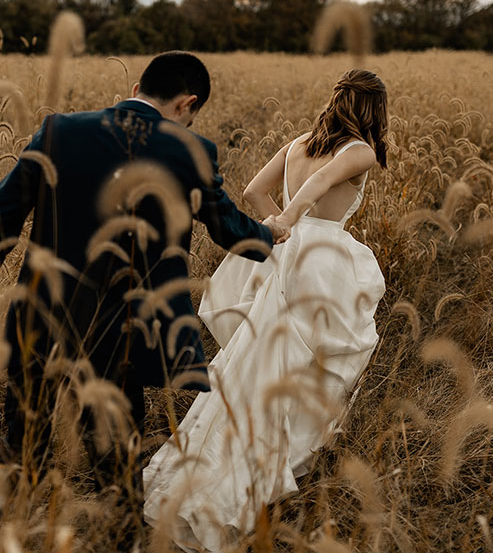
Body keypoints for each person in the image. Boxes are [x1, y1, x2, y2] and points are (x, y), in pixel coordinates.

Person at [0, 51, 288, 546]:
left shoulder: (58, 132)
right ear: (187, 103)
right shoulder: (189, 150)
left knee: (20, 450)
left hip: (40, 325)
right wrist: (269, 233)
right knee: (120, 466)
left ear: (139, 86)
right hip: (124, 339)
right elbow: (229, 230)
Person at [143, 68, 388, 552]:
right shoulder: (360, 150)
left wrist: (281, 229)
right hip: (323, 263)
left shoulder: (298, 142)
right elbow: (320, 182)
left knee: (257, 364)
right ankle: (256, 475)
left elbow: (254, 191)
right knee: (313, 366)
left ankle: (218, 470)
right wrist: (296, 220)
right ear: (375, 109)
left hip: (288, 256)